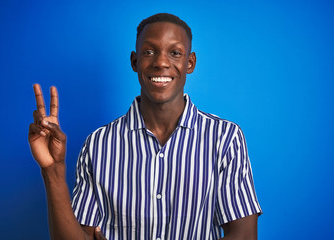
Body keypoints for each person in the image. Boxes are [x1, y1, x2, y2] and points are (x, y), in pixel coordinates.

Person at [29, 13, 262, 240]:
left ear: (189, 63)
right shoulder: (98, 144)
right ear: (135, 61)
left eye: (175, 53)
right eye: (149, 52)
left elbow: (244, 235)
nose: (161, 62)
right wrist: (53, 170)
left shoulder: (225, 138)